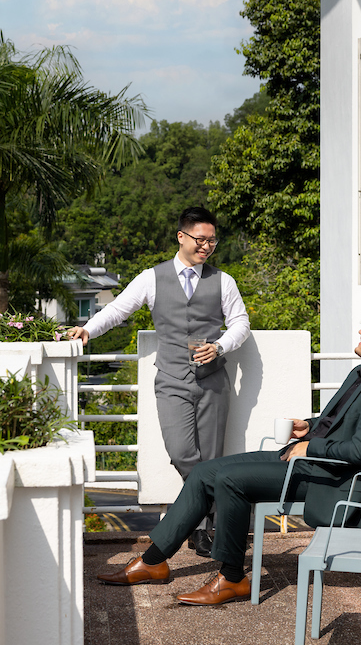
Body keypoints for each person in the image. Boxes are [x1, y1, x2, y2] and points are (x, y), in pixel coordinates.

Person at [95, 304, 361, 606]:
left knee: (230, 480)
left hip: (328, 479)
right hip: (308, 463)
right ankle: (153, 561)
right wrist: (308, 427)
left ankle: (232, 577)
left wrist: (311, 447)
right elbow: (336, 425)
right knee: (205, 471)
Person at [69, 206, 250, 557]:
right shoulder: (152, 278)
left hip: (213, 382)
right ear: (181, 236)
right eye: (201, 239)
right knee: (182, 452)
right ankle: (220, 515)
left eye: (212, 240)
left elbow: (240, 323)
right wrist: (87, 329)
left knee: (211, 457)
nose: (207, 246)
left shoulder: (223, 281)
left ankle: (201, 530)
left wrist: (220, 345)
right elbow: (118, 309)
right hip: (171, 380)